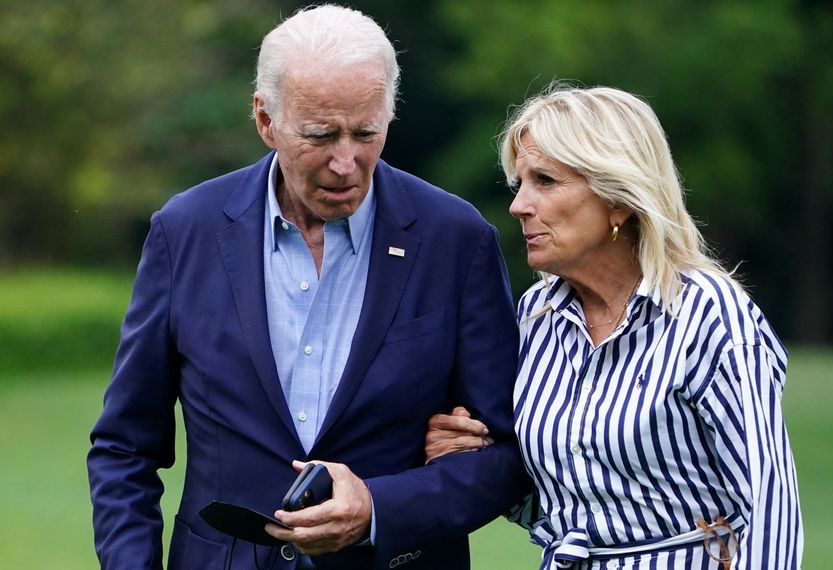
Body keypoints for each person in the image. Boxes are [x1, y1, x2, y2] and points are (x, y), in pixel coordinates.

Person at [87, 5, 527, 569]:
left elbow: (508, 456)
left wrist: (379, 509)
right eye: (321, 135)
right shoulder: (185, 230)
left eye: (366, 133)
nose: (347, 163)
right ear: (265, 120)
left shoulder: (456, 239)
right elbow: (125, 446)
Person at [426, 85, 803, 569]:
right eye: (519, 183)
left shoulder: (709, 314)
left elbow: (773, 511)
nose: (519, 205)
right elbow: (563, 505)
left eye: (544, 180)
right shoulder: (536, 316)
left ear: (618, 200)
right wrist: (467, 455)